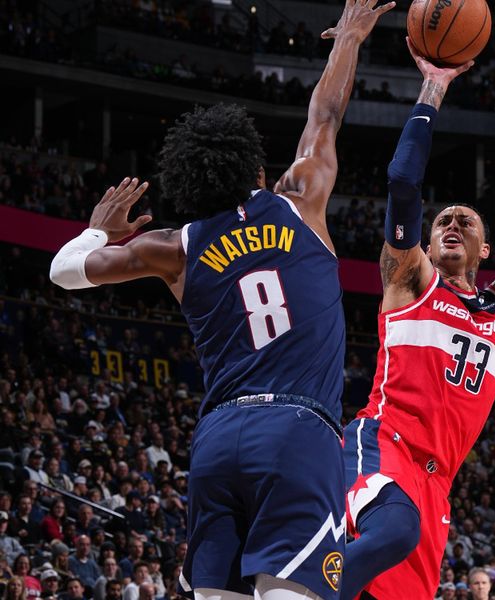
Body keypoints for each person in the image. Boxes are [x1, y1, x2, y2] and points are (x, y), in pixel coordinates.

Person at [48, 2, 395, 598]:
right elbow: (326, 114)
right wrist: (350, 41)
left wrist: (99, 227)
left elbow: (63, 271)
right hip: (296, 429)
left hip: (218, 439)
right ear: (256, 169)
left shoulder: (174, 246)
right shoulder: (300, 199)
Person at [342, 42, 495, 599]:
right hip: (382, 444)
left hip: (437, 483)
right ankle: (298, 580)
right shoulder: (411, 279)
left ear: (487, 249)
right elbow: (402, 186)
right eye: (443, 221)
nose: (453, 224)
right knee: (388, 530)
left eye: (466, 220)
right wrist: (433, 90)